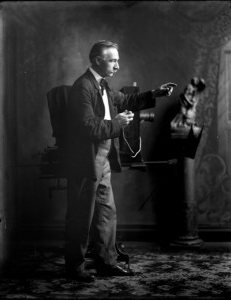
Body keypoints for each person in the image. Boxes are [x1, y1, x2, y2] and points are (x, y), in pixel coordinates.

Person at [63, 40, 176, 282]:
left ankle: (107, 262)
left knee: (106, 212)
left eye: (117, 60)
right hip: (86, 158)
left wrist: (154, 93)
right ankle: (74, 268)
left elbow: (124, 100)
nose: (117, 64)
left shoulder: (101, 85)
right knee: (82, 214)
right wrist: (118, 124)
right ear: (97, 61)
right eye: (113, 60)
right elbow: (86, 127)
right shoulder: (83, 87)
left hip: (103, 156)